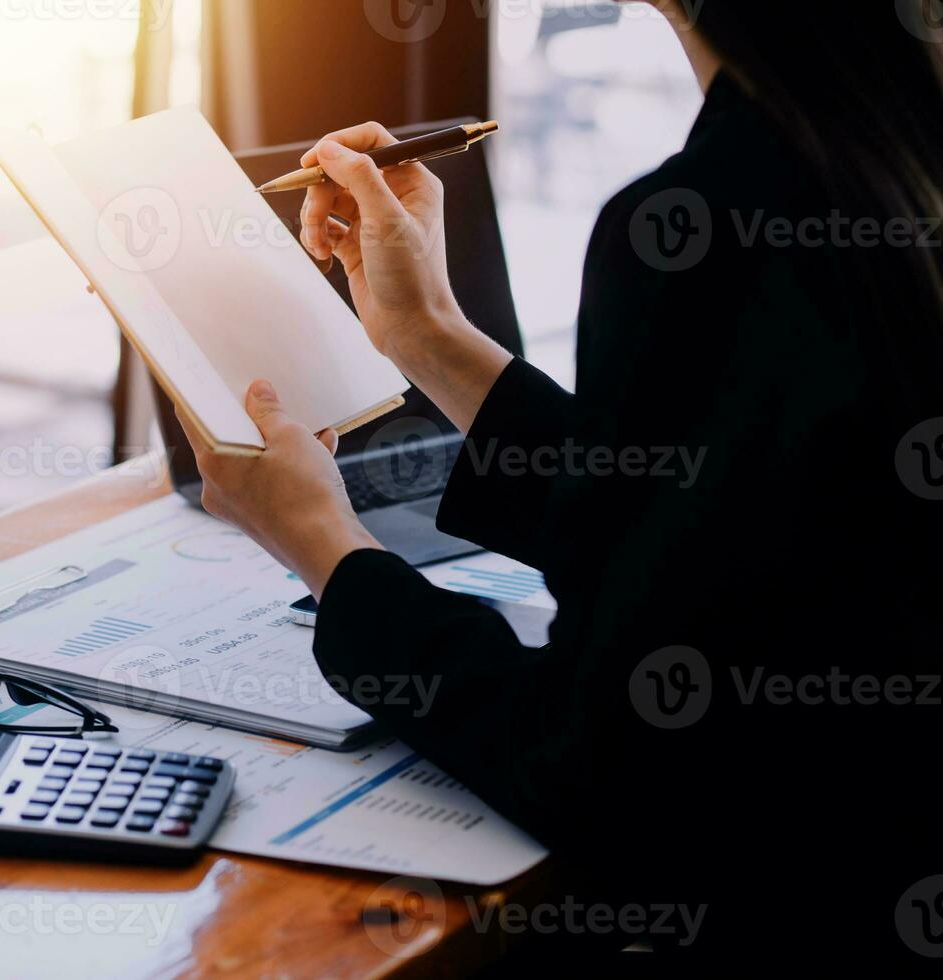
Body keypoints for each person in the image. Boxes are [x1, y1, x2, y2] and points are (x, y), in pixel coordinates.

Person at [180, 0, 943, 967]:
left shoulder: (712, 218)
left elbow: (601, 769)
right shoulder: (877, 146)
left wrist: (327, 548)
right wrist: (428, 336)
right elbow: (731, 523)